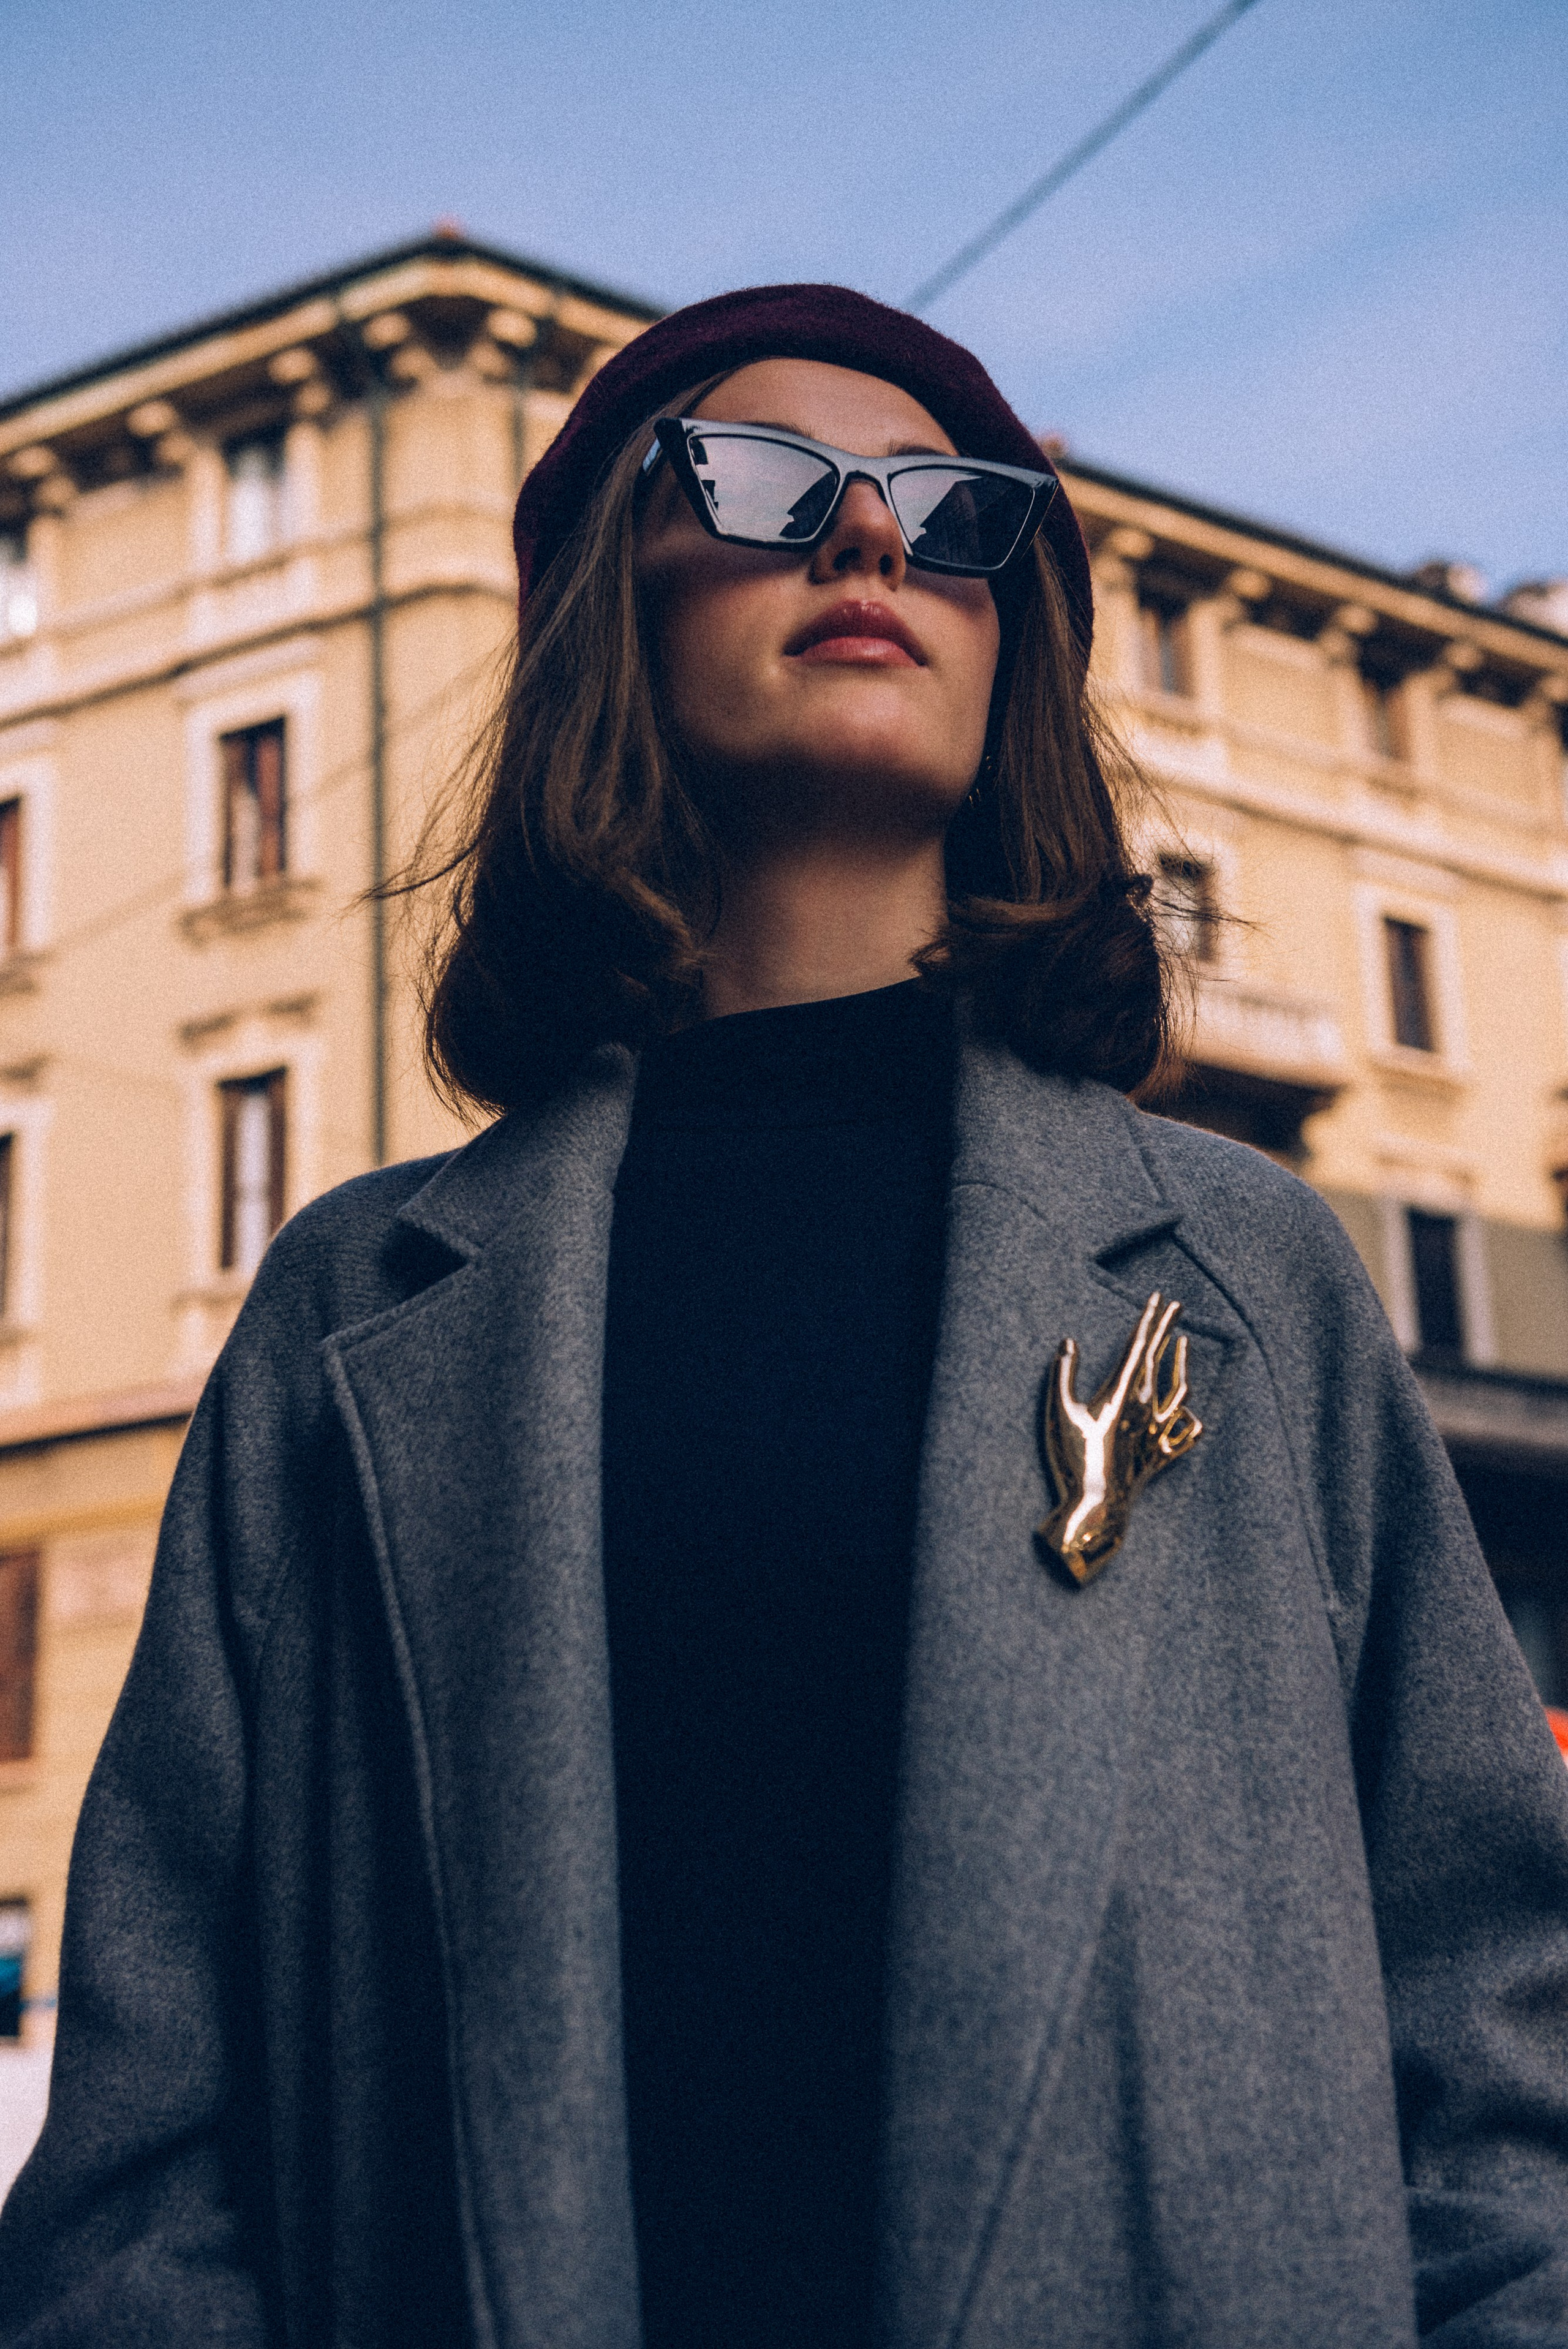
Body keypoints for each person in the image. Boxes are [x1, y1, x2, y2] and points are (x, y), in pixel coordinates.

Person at [2, 284, 1566, 2349]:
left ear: (1013, 647)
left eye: (953, 505)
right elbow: (147, 2133)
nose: (874, 535)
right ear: (611, 613)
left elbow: (1497, 2030)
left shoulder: (1248, 1275)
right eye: (764, 481)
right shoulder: (349, 1310)